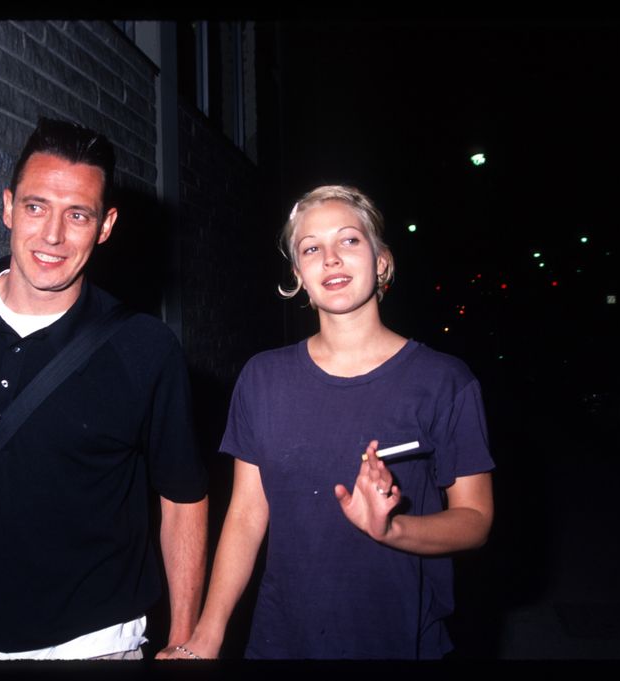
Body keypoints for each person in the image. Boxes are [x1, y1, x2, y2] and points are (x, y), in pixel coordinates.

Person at [0, 117, 209, 660]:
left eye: (78, 214)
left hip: (99, 644)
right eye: (35, 207)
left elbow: (183, 498)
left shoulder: (146, 348)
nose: (53, 235)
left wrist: (184, 641)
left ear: (105, 226)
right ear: (7, 207)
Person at [161, 185, 494, 660]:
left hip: (400, 641)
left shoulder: (444, 381)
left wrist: (392, 529)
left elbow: (476, 520)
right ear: (298, 274)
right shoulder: (262, 378)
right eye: (312, 248)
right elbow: (246, 515)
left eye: (349, 241)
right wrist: (207, 638)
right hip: (280, 642)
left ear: (381, 261)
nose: (331, 259)